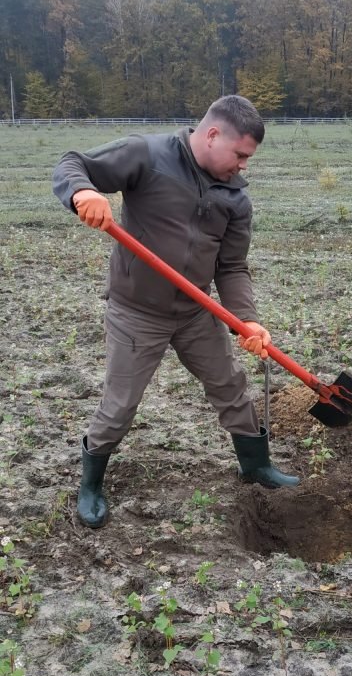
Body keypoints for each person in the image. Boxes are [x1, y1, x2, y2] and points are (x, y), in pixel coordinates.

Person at [53, 95, 300, 529]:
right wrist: (83, 191)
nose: (244, 165)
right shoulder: (146, 156)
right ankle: (90, 484)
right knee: (119, 407)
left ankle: (255, 466)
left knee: (231, 387)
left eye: (248, 158)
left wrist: (247, 318)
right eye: (240, 154)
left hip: (194, 311)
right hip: (136, 312)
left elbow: (232, 267)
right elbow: (73, 163)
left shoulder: (236, 198)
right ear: (211, 135)